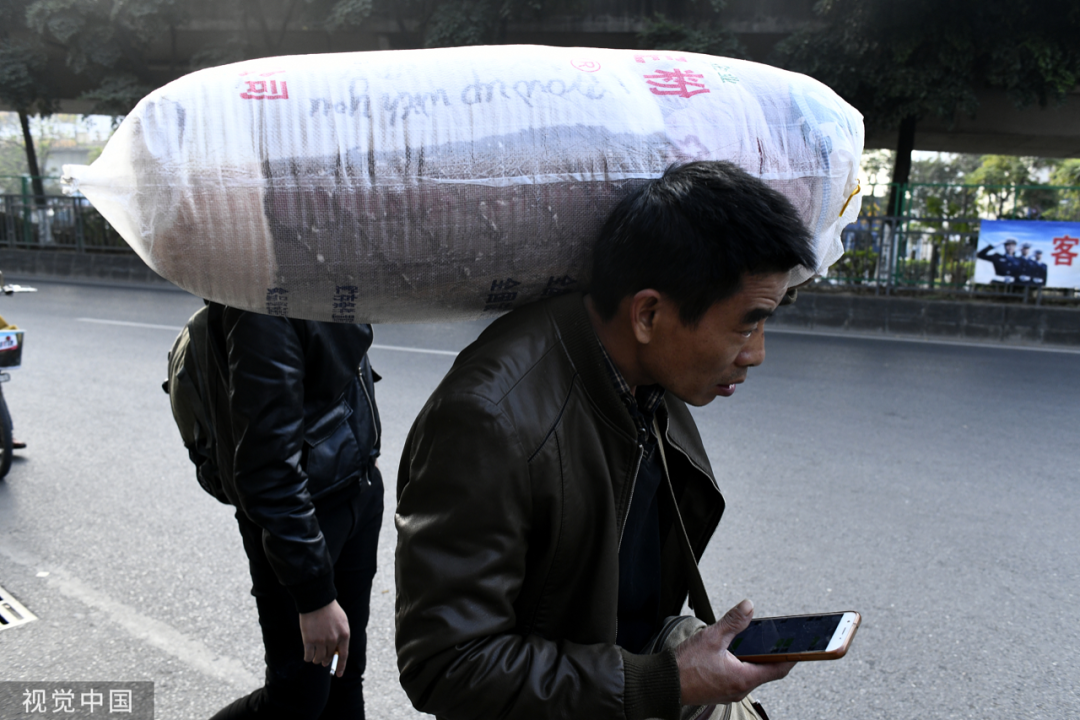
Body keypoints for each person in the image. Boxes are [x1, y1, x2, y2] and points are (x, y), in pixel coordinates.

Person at [395, 161, 817, 719]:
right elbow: (446, 666)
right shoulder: (489, 420)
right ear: (648, 313)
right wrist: (663, 680)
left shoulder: (645, 379)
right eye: (746, 324)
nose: (756, 353)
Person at [200, 303, 383, 720]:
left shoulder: (325, 276)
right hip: (302, 521)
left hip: (357, 491)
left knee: (344, 675)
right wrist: (314, 594)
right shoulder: (260, 305)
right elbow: (268, 472)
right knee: (296, 699)